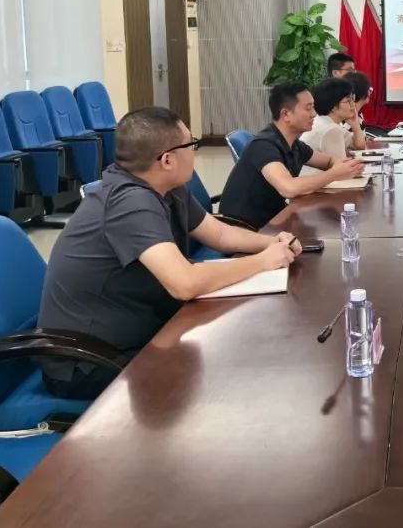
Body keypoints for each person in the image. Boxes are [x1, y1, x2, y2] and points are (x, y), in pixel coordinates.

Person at [37, 107, 302, 399]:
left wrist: (271, 243)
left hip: (140, 328)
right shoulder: (129, 202)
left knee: (232, 349)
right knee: (219, 380)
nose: (194, 152)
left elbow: (220, 234)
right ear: (167, 160)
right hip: (88, 361)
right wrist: (262, 262)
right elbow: (183, 283)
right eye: (191, 144)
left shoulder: (166, 187)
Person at [219, 82, 364, 229]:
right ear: (286, 114)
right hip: (245, 228)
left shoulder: (294, 144)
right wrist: (334, 174)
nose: (314, 114)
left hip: (274, 220)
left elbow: (329, 161)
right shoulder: (264, 145)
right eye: (308, 108)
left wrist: (348, 167)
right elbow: (288, 188)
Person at [299, 78, 355, 174]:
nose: (353, 105)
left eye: (352, 100)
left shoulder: (323, 121)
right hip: (316, 182)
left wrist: (356, 125)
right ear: (333, 106)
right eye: (348, 101)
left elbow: (357, 145)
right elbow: (343, 170)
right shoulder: (331, 129)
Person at [343, 70, 374, 150]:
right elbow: (355, 147)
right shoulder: (346, 117)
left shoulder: (359, 114)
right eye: (369, 89)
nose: (370, 92)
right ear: (362, 92)